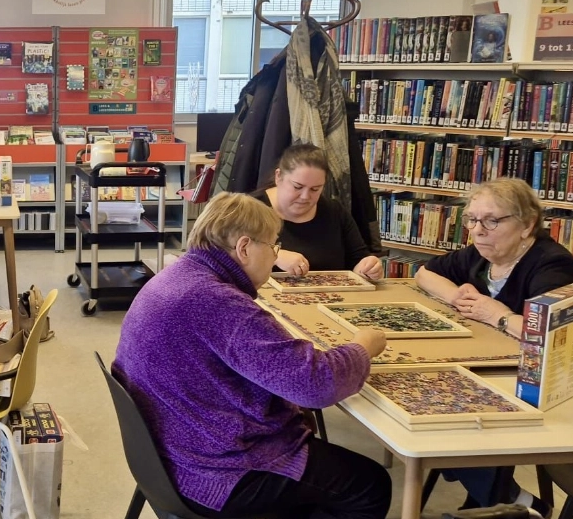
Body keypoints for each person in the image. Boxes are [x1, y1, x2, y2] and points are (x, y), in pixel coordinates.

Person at [114, 192, 392, 519]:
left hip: (168, 453)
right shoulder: (218, 301)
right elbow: (315, 386)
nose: (275, 257)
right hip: (214, 471)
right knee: (371, 486)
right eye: (273, 246)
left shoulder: (179, 274)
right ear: (244, 247)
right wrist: (363, 346)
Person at [416, 176, 573, 515]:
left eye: (491, 220)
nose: (478, 231)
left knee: (454, 417)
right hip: (492, 368)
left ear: (527, 225)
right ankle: (510, 500)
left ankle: (503, 501)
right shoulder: (483, 255)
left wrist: (500, 316)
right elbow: (424, 273)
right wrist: (455, 295)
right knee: (433, 404)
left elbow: (556, 333)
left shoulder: (551, 264)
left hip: (547, 384)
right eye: (472, 219)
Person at [256, 144, 383, 280]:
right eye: (297, 187)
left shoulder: (335, 212)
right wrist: (274, 255)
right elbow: (238, 262)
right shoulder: (251, 210)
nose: (305, 196)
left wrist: (368, 268)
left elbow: (358, 260)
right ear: (278, 177)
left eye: (315, 189)